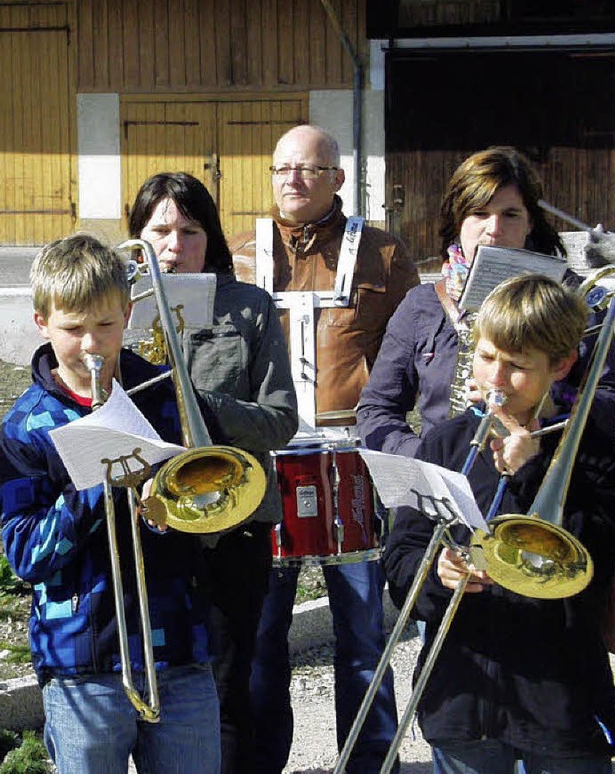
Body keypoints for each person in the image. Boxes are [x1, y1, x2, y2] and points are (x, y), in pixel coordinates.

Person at [383, 273, 615, 773]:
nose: (496, 378)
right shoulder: (444, 444)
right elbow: (402, 554)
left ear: (560, 366)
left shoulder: (592, 453)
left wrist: (531, 471)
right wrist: (437, 573)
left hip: (560, 703)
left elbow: (591, 566)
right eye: (487, 357)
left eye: (517, 366)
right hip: (461, 698)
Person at [231, 123, 419, 773]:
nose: (293, 179)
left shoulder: (386, 257)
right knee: (261, 636)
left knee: (365, 636)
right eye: (283, 167)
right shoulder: (239, 256)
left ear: (337, 178)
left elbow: (414, 356)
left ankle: (371, 762)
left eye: (308, 169)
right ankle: (259, 762)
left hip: (351, 463)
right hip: (264, 465)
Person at [0, 234, 221, 774]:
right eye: (73, 329)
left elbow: (207, 502)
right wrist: (101, 487)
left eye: (106, 325)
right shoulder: (26, 426)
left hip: (179, 648)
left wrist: (171, 508)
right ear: (42, 322)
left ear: (127, 313)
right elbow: (26, 553)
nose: (92, 346)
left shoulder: (164, 393)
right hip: (82, 660)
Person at [128, 172, 298, 774]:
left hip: (236, 521)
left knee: (229, 680)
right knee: (156, 679)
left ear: (212, 237)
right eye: (160, 230)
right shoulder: (115, 306)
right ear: (138, 235)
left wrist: (199, 407)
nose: (174, 245)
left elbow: (280, 422)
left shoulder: (249, 307)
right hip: (146, 519)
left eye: (190, 230)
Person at [357, 145, 615, 454]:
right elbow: (377, 408)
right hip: (449, 481)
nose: (494, 229)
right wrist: (426, 460)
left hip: (544, 473)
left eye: (510, 215)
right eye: (479, 213)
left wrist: (548, 413)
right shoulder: (424, 305)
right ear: (458, 221)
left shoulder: (572, 297)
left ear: (530, 222)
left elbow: (610, 400)